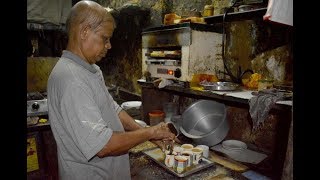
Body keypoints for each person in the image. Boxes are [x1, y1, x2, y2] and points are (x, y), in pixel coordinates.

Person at [47, 1, 176, 179]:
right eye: (104, 38)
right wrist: (150, 132)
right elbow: (103, 146)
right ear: (84, 32)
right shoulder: (71, 79)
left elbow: (112, 108)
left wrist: (145, 133)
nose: (109, 46)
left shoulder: (91, 69)